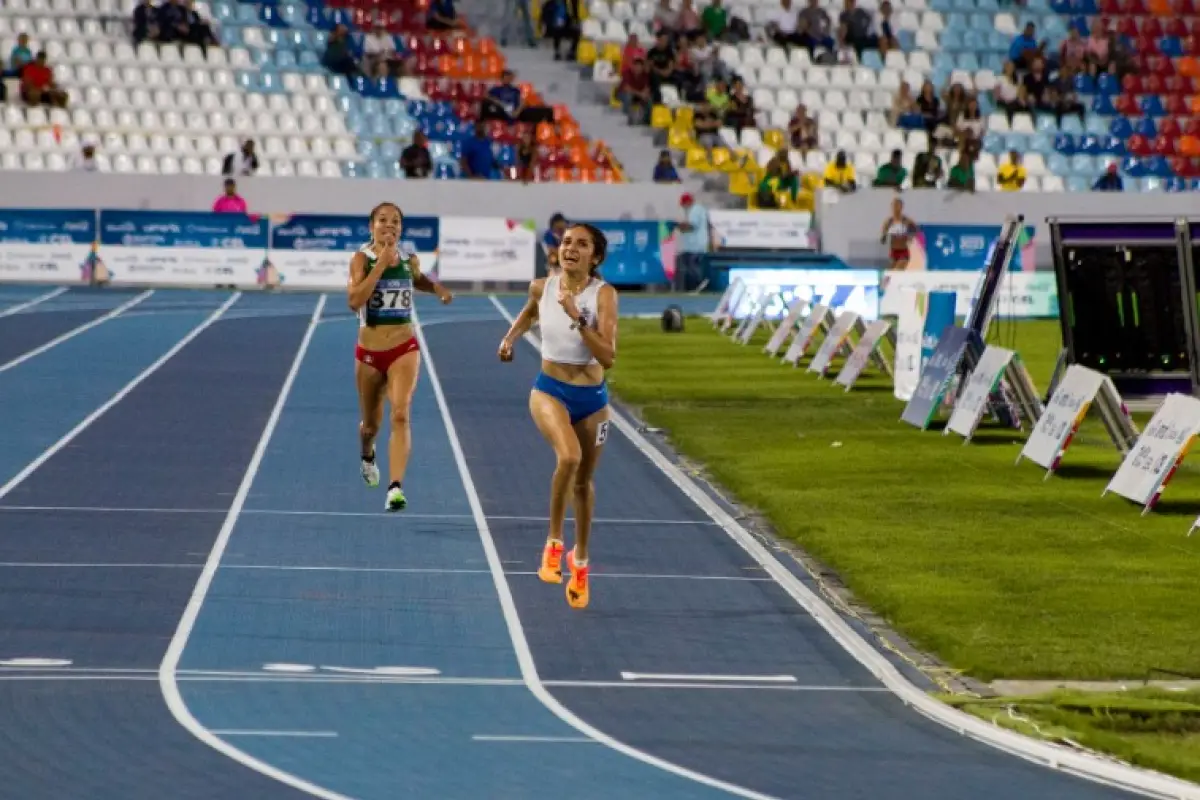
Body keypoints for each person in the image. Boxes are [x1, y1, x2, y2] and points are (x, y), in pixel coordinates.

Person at [497, 223, 618, 610]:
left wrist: (577, 317)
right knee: (568, 457)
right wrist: (509, 338)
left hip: (593, 399)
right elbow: (529, 313)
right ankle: (553, 543)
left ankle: (579, 562)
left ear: (594, 257)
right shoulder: (542, 286)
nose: (571, 248)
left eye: (581, 245)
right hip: (549, 390)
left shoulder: (604, 295)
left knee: (583, 483)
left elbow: (608, 357)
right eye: (567, 242)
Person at [346, 202, 453, 511]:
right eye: (382, 220)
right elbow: (354, 300)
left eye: (395, 221)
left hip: (403, 347)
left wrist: (437, 289)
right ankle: (367, 453)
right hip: (369, 353)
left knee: (401, 413)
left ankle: (395, 487)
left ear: (401, 229)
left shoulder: (409, 259)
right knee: (371, 425)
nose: (389, 225)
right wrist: (380, 264)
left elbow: (416, 278)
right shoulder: (361, 259)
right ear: (371, 227)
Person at [879, 195, 917, 270]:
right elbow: (883, 238)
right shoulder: (888, 222)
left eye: (897, 205)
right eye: (894, 205)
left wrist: (910, 236)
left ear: (901, 207)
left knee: (897, 271)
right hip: (893, 252)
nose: (895, 208)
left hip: (903, 252)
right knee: (889, 275)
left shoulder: (906, 220)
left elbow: (915, 230)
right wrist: (884, 237)